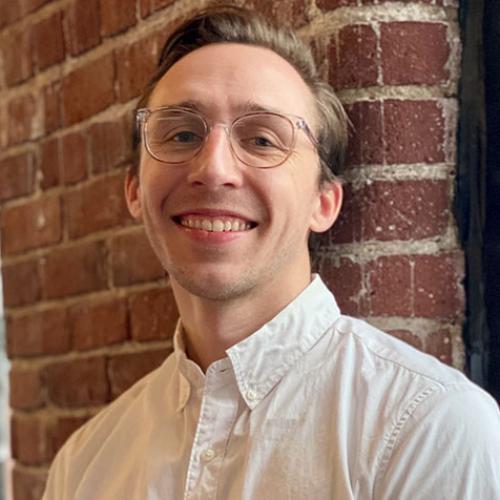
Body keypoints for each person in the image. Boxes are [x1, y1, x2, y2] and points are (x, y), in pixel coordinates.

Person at [42, 6, 500, 500]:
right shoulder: (84, 464)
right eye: (182, 134)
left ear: (323, 203)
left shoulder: (427, 428)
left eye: (262, 139)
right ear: (134, 190)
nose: (214, 169)